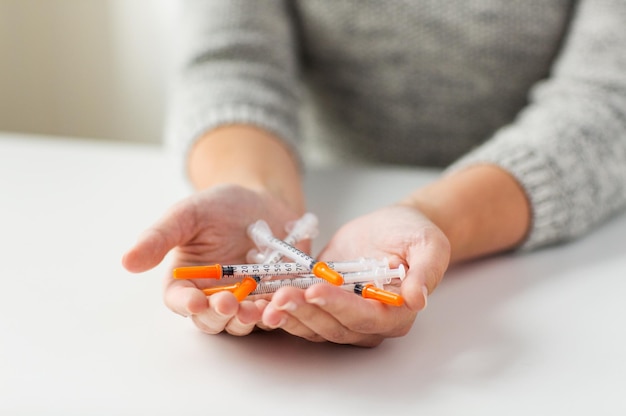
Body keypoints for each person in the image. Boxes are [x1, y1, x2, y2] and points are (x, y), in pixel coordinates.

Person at [122, 0, 626, 347]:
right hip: (324, 174)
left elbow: (607, 101)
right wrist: (256, 188)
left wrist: (430, 217)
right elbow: (231, 59)